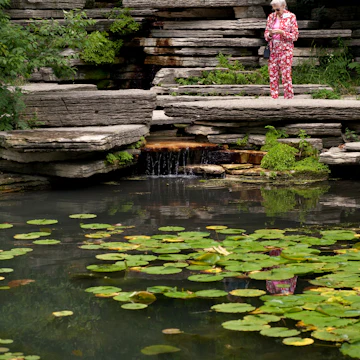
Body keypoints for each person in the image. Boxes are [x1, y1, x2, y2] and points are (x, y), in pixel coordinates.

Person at [264, 0, 299, 99]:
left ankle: (288, 96)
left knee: (286, 74)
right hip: (273, 49)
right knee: (272, 73)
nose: (276, 11)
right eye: (274, 9)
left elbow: (295, 36)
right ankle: (274, 96)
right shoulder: (271, 17)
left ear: (284, 6)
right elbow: (266, 35)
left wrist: (282, 33)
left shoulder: (291, 17)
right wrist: (270, 34)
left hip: (285, 49)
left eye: (278, 9)